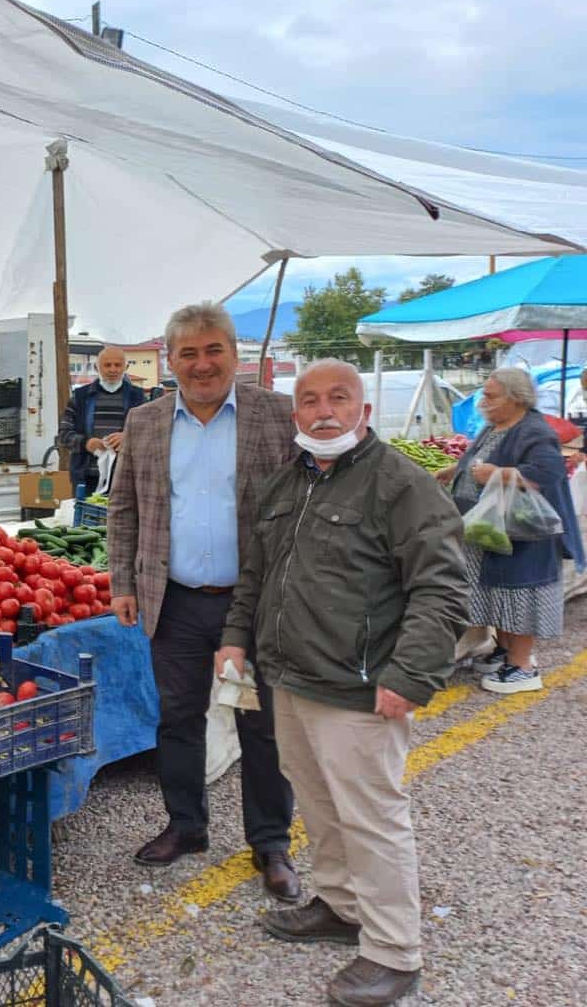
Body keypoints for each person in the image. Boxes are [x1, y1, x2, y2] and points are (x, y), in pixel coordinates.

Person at [221, 359, 469, 1007]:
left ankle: (394, 952)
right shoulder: (288, 483)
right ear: (295, 412)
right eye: (309, 399)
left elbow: (442, 586)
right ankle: (338, 904)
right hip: (292, 680)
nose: (323, 410)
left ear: (364, 410)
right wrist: (235, 638)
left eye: (339, 397)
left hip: (362, 689)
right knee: (319, 805)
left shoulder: (400, 484)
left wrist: (410, 673)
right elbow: (257, 575)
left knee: (373, 819)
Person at [107, 302, 300, 900]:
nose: (202, 363)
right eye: (187, 353)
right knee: (180, 719)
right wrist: (122, 583)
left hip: (254, 604)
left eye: (213, 349)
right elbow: (124, 508)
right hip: (179, 603)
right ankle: (186, 826)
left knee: (260, 724)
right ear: (170, 361)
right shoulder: (146, 422)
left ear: (235, 354)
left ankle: (270, 843)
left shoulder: (276, 415)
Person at [438, 368, 584, 694]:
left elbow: (546, 472)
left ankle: (522, 667)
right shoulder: (497, 425)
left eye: (490, 396)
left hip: (522, 534)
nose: (482, 401)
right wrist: (453, 471)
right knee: (497, 594)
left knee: (518, 595)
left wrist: (498, 474)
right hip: (491, 532)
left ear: (515, 398)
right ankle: (503, 652)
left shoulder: (534, 430)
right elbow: (477, 458)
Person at [57, 346, 147, 493]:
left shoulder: (138, 398)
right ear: (96, 367)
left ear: (126, 367)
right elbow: (63, 435)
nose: (112, 369)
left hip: (126, 478)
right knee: (88, 515)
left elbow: (151, 434)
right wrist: (86, 443)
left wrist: (128, 438)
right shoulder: (80, 397)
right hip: (86, 478)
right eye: (107, 365)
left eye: (118, 365)